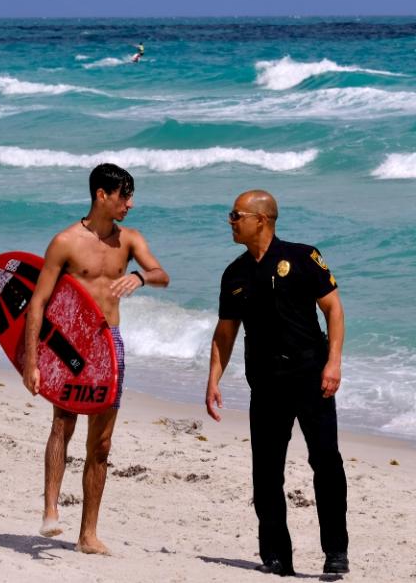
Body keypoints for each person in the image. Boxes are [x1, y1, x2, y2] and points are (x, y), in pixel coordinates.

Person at [23, 163, 169, 554]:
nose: (130, 204)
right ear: (102, 195)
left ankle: (88, 534)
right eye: (124, 195)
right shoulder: (66, 242)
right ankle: (51, 509)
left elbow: (162, 274)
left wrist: (140, 277)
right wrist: (30, 359)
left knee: (101, 445)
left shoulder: (130, 239)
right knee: (62, 425)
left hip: (110, 344)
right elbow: (37, 303)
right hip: (70, 343)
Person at [205, 189, 348, 577]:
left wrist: (333, 363)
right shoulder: (234, 273)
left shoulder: (302, 257)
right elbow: (224, 334)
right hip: (265, 383)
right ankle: (276, 556)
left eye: (236, 215)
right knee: (266, 471)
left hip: (311, 376)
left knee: (326, 462)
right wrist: (213, 378)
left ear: (260, 220)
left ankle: (336, 552)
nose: (231, 222)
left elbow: (333, 309)